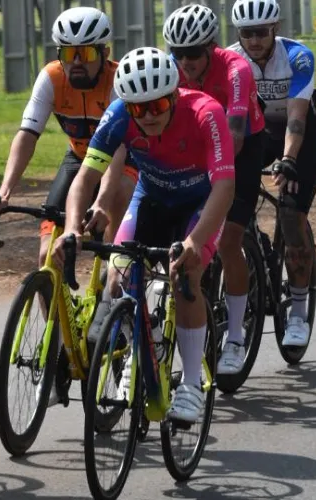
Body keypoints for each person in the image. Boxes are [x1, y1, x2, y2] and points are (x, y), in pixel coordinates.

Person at [52, 47, 236, 423]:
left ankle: (188, 384)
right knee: (117, 276)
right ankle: (135, 356)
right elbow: (84, 176)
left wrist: (195, 242)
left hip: (200, 203)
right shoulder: (120, 113)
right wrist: (71, 227)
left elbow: (224, 187)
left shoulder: (206, 113)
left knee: (187, 274)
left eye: (157, 106)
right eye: (139, 109)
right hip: (151, 196)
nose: (148, 116)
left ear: (173, 95)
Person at [0, 7, 136, 267]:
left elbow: (117, 150)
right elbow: (27, 135)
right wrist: (4, 192)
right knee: (47, 256)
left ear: (104, 54)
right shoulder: (51, 78)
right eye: (67, 53)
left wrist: (101, 202)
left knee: (114, 246)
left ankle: (117, 288)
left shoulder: (118, 81)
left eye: (84, 53)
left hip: (121, 163)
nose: (76, 62)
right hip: (78, 159)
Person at [162, 3, 269, 369]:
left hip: (242, 146)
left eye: (193, 53)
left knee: (228, 240)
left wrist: (215, 180)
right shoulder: (171, 71)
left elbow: (236, 134)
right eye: (178, 53)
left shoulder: (236, 69)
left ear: (211, 47)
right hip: (198, 147)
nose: (185, 62)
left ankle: (236, 337)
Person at [227, 0, 316, 350]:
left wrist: (288, 159)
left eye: (261, 32)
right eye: (246, 33)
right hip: (257, 133)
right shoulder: (231, 60)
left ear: (275, 29)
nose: (253, 40)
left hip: (300, 134)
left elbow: (297, 118)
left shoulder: (297, 57)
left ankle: (298, 312)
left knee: (290, 214)